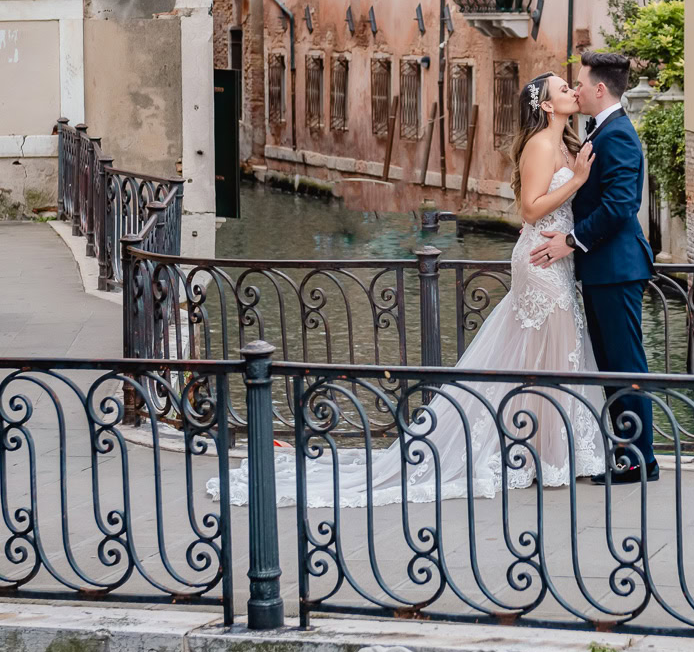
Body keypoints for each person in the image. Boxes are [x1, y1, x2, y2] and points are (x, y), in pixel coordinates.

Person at [208, 72, 608, 507]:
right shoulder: (540, 145)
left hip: (558, 258)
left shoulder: (566, 141)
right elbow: (530, 210)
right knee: (547, 349)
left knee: (554, 349)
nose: (572, 90)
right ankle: (541, 456)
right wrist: (576, 181)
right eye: (563, 89)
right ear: (546, 106)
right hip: (538, 260)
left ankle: (547, 451)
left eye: (571, 86)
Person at [528, 50, 659, 483]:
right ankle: (626, 452)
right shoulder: (597, 131)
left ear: (599, 89)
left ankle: (641, 460)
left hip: (617, 269)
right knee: (610, 364)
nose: (576, 89)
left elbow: (621, 205)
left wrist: (570, 239)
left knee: (625, 365)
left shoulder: (616, 134)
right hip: (601, 269)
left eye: (580, 83)